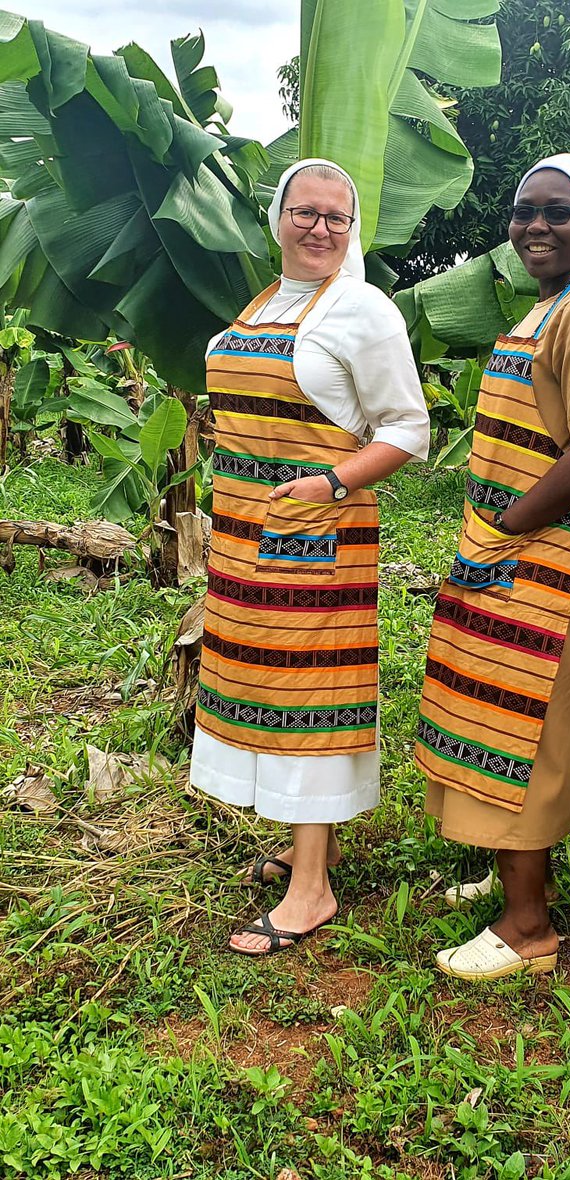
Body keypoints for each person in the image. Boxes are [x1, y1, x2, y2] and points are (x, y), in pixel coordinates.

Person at [191, 158, 429, 955]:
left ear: (350, 227)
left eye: (336, 216)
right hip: (245, 538)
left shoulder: (362, 308)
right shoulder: (265, 303)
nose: (319, 228)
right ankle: (305, 850)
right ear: (279, 219)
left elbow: (409, 427)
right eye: (305, 212)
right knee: (262, 686)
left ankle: (313, 890)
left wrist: (332, 481)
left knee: (311, 699)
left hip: (318, 537)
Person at [415, 153, 570, 980]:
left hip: (544, 545)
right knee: (500, 708)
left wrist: (508, 525)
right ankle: (513, 871)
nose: (536, 226)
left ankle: (527, 926)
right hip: (513, 541)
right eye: (524, 211)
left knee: (519, 720)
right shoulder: (548, 306)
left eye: (558, 212)